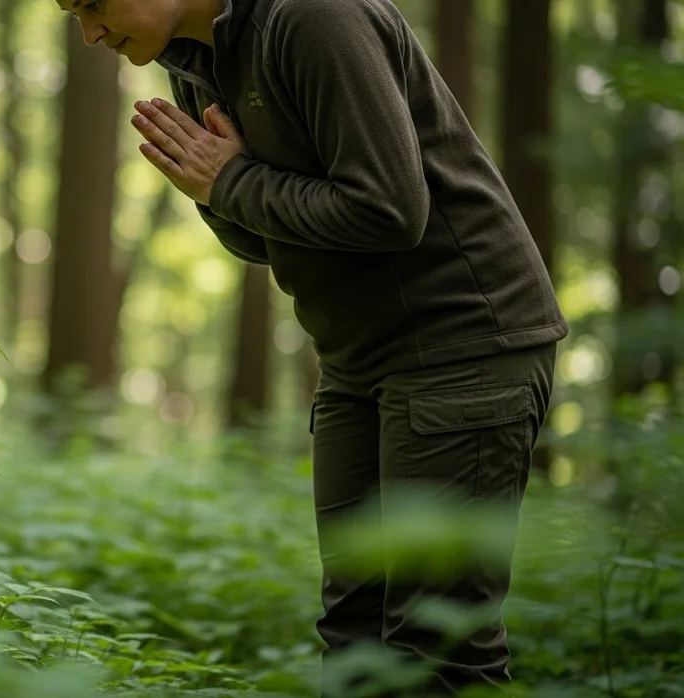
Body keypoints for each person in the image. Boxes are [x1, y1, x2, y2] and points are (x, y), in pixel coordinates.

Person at [57, 0, 569, 695]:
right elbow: (259, 237)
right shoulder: (195, 57)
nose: (88, 33)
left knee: (436, 647)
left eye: (91, 3)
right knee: (354, 636)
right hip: (356, 362)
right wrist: (217, 192)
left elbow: (388, 208)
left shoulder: (312, 15)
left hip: (464, 345)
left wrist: (230, 182)